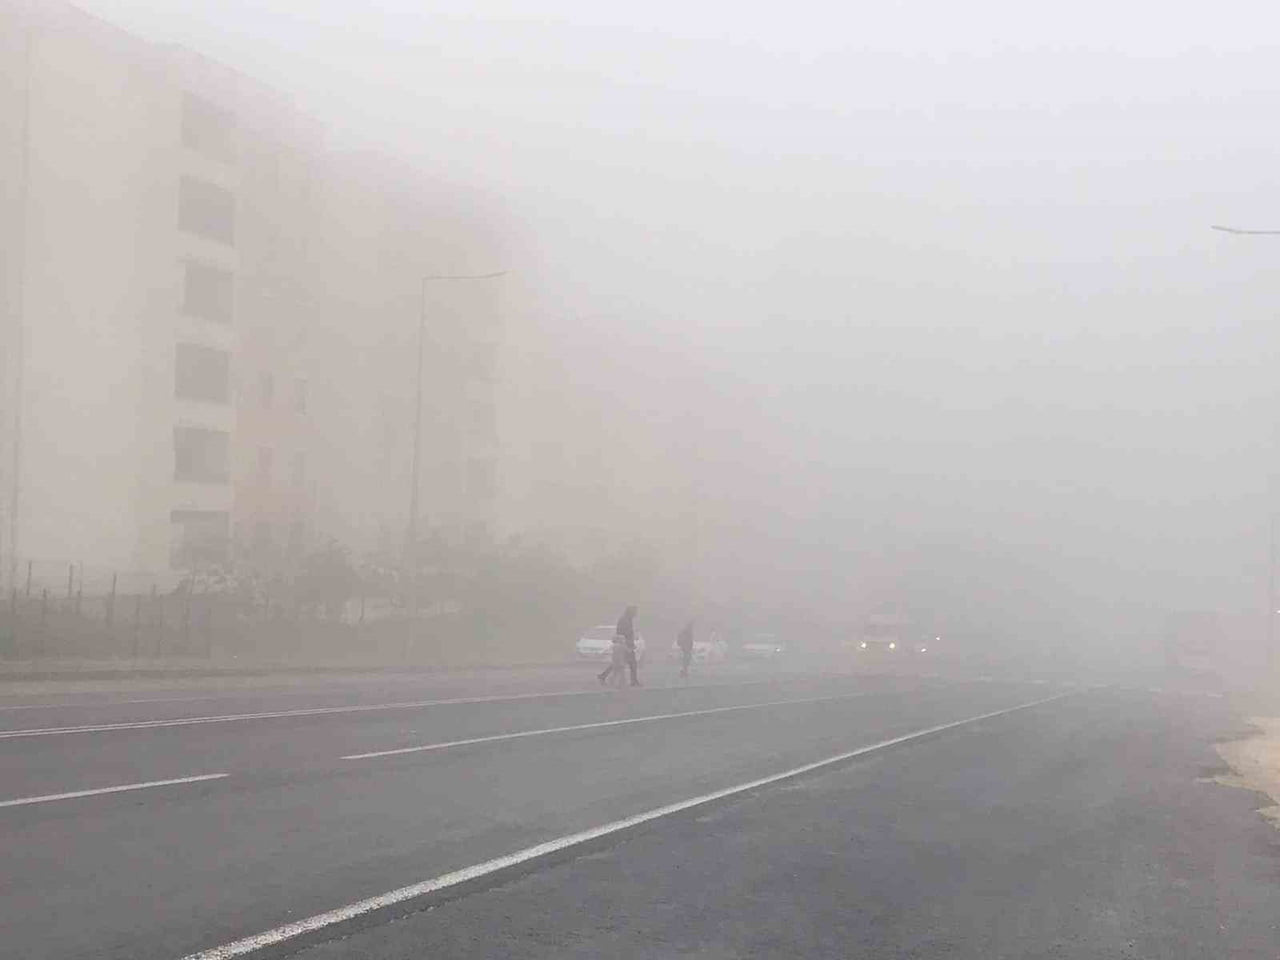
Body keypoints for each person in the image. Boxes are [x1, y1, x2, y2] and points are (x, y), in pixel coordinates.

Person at [598, 605, 640, 686]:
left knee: (620, 663)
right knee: (630, 664)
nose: (636, 613)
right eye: (635, 611)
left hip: (626, 644)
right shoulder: (624, 620)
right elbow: (622, 633)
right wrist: (626, 643)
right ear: (631, 612)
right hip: (625, 645)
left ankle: (603, 676)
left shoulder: (628, 619)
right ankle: (632, 681)